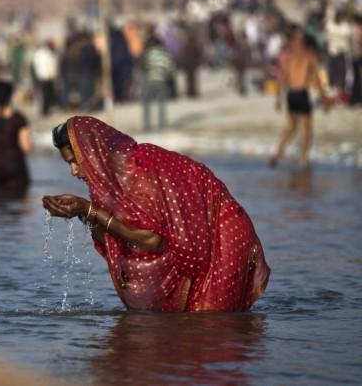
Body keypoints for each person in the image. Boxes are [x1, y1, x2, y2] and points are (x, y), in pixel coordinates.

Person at [42, 117, 270, 312]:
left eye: (75, 162)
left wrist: (89, 210)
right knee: (186, 336)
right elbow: (113, 238)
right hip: (197, 238)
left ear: (91, 153)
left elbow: (153, 238)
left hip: (221, 231)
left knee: (212, 325)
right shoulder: (105, 185)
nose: (73, 171)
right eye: (68, 164)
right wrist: (81, 213)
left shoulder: (138, 173)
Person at [269, 27, 329, 169]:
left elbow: (281, 78)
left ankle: (276, 154)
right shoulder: (310, 56)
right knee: (307, 130)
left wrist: (278, 98)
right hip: (301, 94)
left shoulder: (289, 58)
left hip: (291, 95)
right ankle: (303, 161)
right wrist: (324, 98)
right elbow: (318, 79)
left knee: (291, 128)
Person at [141, 34, 174, 131]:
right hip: (161, 80)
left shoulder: (148, 53)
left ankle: (147, 124)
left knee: (146, 103)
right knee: (161, 103)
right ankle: (162, 124)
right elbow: (170, 67)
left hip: (150, 80)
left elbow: (144, 65)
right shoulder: (165, 54)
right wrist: (166, 75)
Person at [31, 40, 59, 116]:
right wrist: (43, 75)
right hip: (44, 77)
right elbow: (41, 66)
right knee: (44, 94)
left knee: (49, 94)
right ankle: (44, 110)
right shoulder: (42, 54)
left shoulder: (50, 53)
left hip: (49, 77)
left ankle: (47, 109)